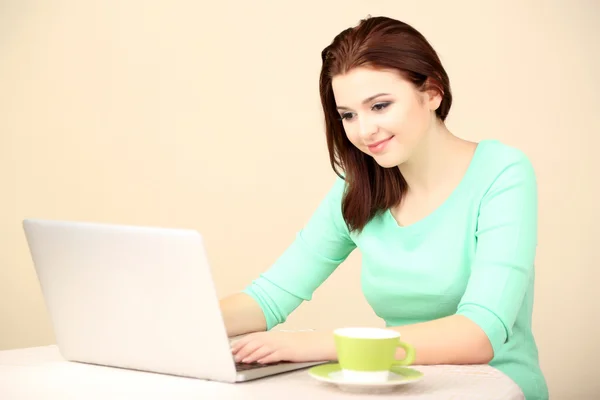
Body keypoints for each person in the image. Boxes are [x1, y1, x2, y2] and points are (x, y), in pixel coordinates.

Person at [219, 15, 548, 400]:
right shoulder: (359, 188)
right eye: (348, 115)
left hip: (494, 386)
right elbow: (269, 296)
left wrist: (317, 344)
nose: (364, 131)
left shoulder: (502, 173)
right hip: (396, 387)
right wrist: (177, 324)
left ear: (433, 92)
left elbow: (479, 334)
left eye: (379, 105)